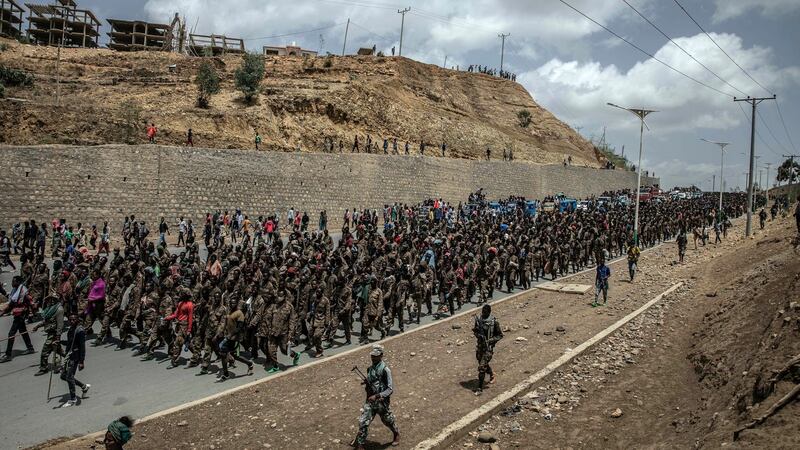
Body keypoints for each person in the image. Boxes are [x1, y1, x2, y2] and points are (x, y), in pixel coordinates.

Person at [351, 345, 400, 449]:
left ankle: (396, 434)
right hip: (370, 401)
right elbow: (372, 381)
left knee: (388, 420)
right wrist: (366, 383)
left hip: (381, 401)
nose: (373, 358)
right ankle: (361, 444)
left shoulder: (385, 370)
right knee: (363, 421)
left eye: (375, 356)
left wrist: (377, 395)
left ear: (381, 356)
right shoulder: (369, 369)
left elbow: (390, 389)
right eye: (372, 355)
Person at [218, 296, 253, 381]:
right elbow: (226, 323)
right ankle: (226, 373)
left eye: (234, 303)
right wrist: (222, 331)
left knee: (230, 355)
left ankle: (249, 364)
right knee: (227, 354)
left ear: (237, 304)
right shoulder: (229, 312)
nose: (232, 304)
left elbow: (239, 328)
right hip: (228, 337)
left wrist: (231, 335)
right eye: (231, 303)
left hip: (236, 338)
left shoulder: (239, 313)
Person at [1, 276, 36, 362]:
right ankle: (30, 348)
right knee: (22, 330)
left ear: (19, 282)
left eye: (14, 281)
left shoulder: (23, 292)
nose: (12, 283)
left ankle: (8, 355)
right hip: (17, 313)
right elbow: (12, 303)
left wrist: (32, 312)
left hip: (21, 314)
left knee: (11, 333)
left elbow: (30, 302)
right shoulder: (15, 290)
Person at [472, 304, 503, 394]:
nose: (483, 314)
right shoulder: (479, 320)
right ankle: (491, 374)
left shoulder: (494, 322)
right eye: (482, 312)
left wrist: (490, 340)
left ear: (489, 312)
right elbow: (476, 330)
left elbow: (500, 335)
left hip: (488, 348)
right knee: (481, 362)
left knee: (482, 367)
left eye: (485, 313)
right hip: (480, 346)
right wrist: (478, 334)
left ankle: (479, 388)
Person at [61, 313, 90, 407]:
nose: (72, 321)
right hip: (69, 355)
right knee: (63, 376)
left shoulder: (80, 331)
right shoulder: (71, 329)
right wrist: (59, 342)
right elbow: (69, 343)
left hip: (75, 357)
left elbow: (82, 347)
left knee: (69, 377)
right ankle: (83, 386)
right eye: (70, 320)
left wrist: (81, 361)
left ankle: (73, 398)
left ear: (77, 320)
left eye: (74, 320)